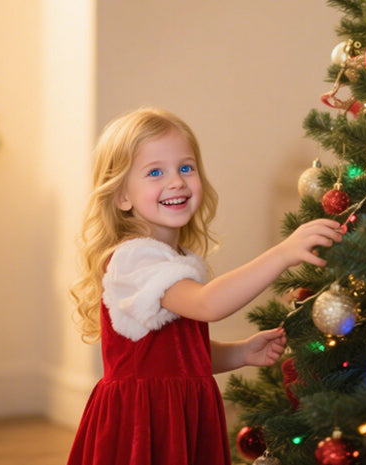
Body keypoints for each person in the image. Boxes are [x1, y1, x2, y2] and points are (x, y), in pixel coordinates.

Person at [66, 107, 343, 464]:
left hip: (182, 413)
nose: (177, 181)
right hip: (146, 422)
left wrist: (240, 352)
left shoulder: (172, 259)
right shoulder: (133, 260)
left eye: (186, 167)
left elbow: (176, 355)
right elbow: (209, 304)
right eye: (155, 172)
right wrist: (283, 253)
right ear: (122, 196)